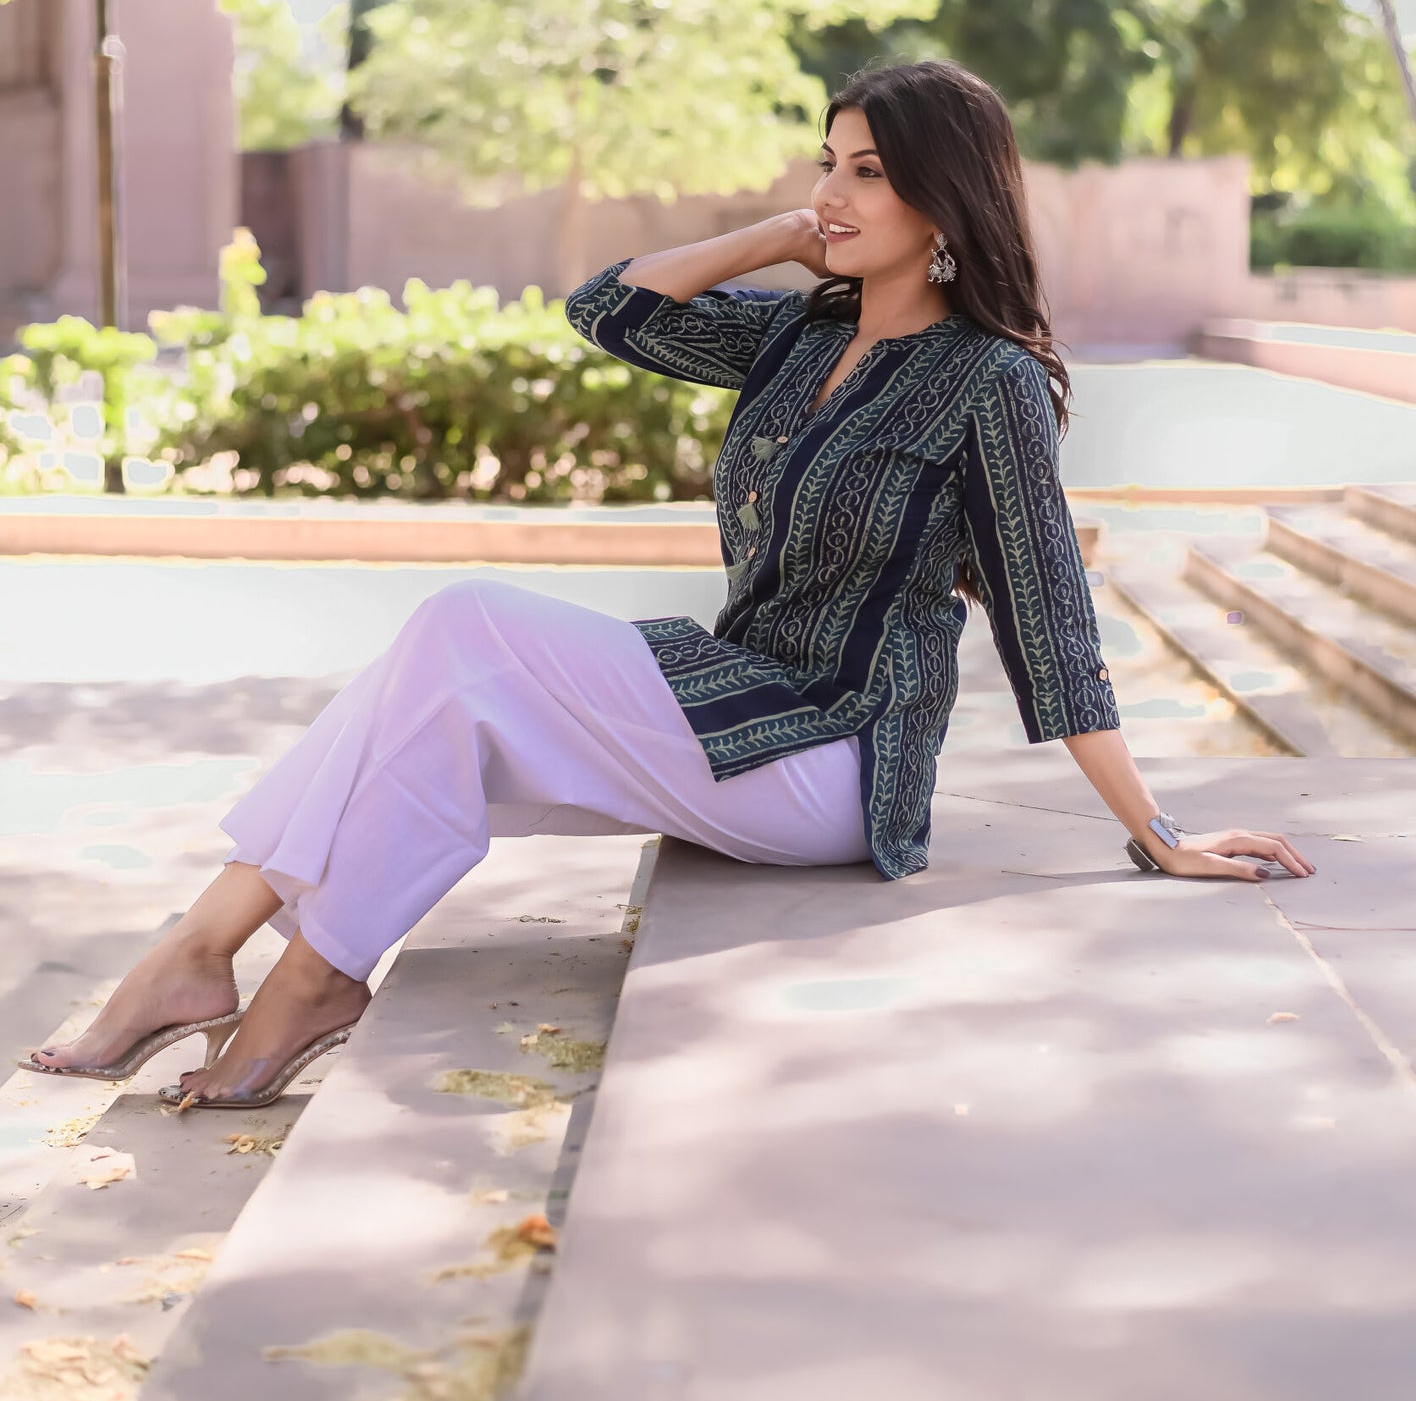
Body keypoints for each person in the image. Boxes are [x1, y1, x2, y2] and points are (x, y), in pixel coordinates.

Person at [24, 59, 1313, 1107]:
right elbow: (607, 309)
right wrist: (772, 237)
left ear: (947, 198)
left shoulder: (991, 383)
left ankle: (279, 969)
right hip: (731, 703)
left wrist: (1158, 832)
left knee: (461, 628)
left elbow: (1049, 618)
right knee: (429, 701)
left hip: (834, 757)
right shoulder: (800, 335)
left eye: (870, 171)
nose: (836, 191)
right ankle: (214, 956)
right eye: (828, 161)